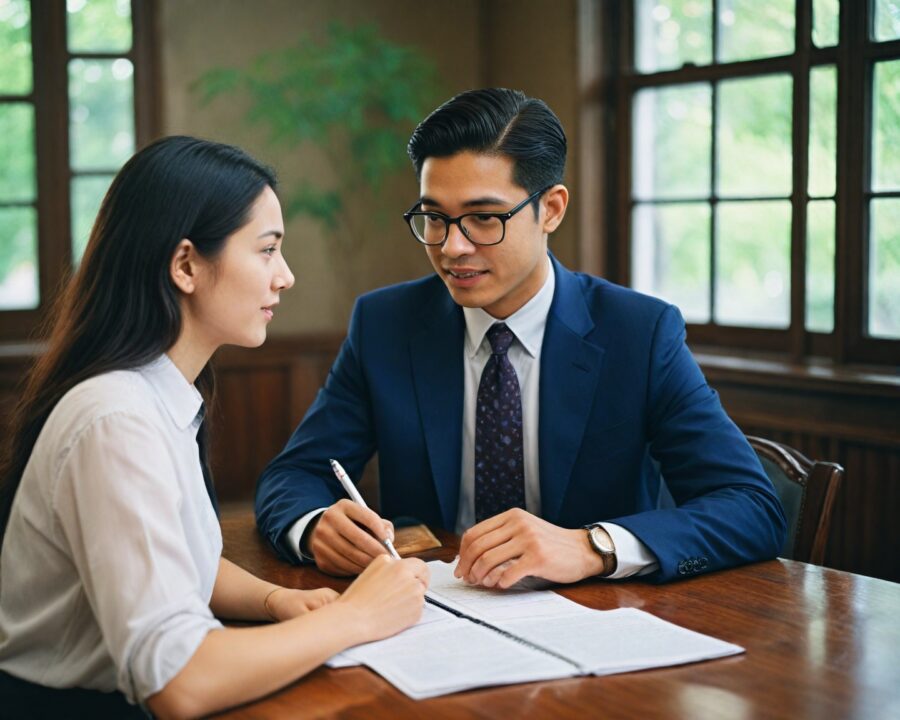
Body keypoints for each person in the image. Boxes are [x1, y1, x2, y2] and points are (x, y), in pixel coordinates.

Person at [255, 88, 786, 590]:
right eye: (434, 218)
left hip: (600, 624)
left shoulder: (638, 333)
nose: (452, 247)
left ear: (551, 208)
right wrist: (313, 525)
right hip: (430, 613)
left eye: (484, 218)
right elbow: (295, 474)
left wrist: (591, 546)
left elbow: (753, 509)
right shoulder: (386, 324)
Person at [0, 136, 428, 719]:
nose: (286, 277)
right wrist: (356, 618)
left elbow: (177, 558)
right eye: (267, 250)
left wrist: (277, 601)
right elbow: (180, 683)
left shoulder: (155, 395)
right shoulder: (116, 420)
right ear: (185, 266)